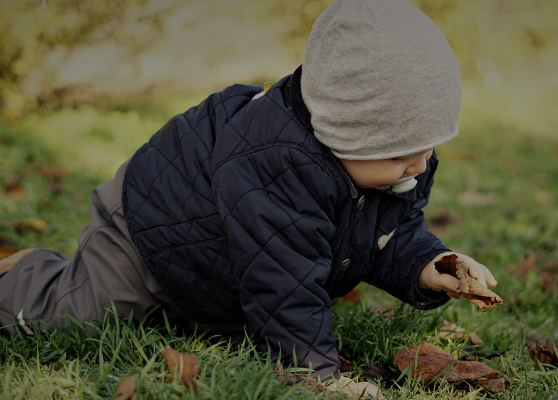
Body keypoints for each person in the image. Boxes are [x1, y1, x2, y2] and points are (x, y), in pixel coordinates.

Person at [0, 0, 497, 394]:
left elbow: (386, 231)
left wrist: (428, 263)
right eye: (398, 154)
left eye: (429, 147)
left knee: (204, 321)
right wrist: (317, 376)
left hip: (219, 263)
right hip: (149, 234)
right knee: (78, 314)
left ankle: (201, 304)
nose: (417, 165)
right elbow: (283, 276)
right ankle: (22, 277)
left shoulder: (391, 167)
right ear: (342, 131)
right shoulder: (278, 161)